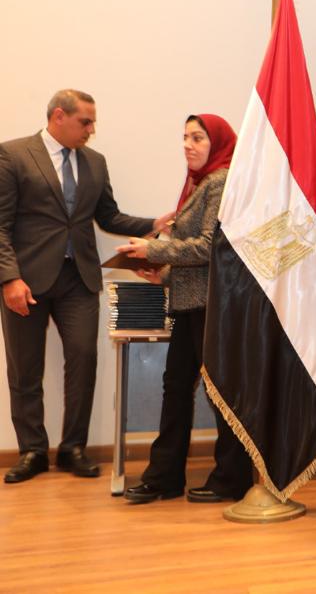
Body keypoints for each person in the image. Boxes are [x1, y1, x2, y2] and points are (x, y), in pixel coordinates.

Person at [0, 89, 172, 483]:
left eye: (92, 122)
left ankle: (73, 449)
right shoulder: (13, 155)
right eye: (85, 121)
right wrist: (9, 278)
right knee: (25, 368)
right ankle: (32, 451)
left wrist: (153, 225)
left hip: (79, 279)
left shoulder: (95, 162)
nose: (91, 130)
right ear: (59, 116)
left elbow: (108, 217)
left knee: (83, 361)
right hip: (26, 281)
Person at [116, 114, 253, 504]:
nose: (187, 145)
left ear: (218, 143)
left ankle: (232, 479)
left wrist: (154, 249)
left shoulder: (220, 181)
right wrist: (161, 274)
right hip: (190, 304)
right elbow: (197, 259)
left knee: (219, 393)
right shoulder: (199, 184)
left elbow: (211, 247)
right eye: (185, 137)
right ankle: (164, 477)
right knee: (175, 387)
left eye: (197, 138)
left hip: (212, 308)